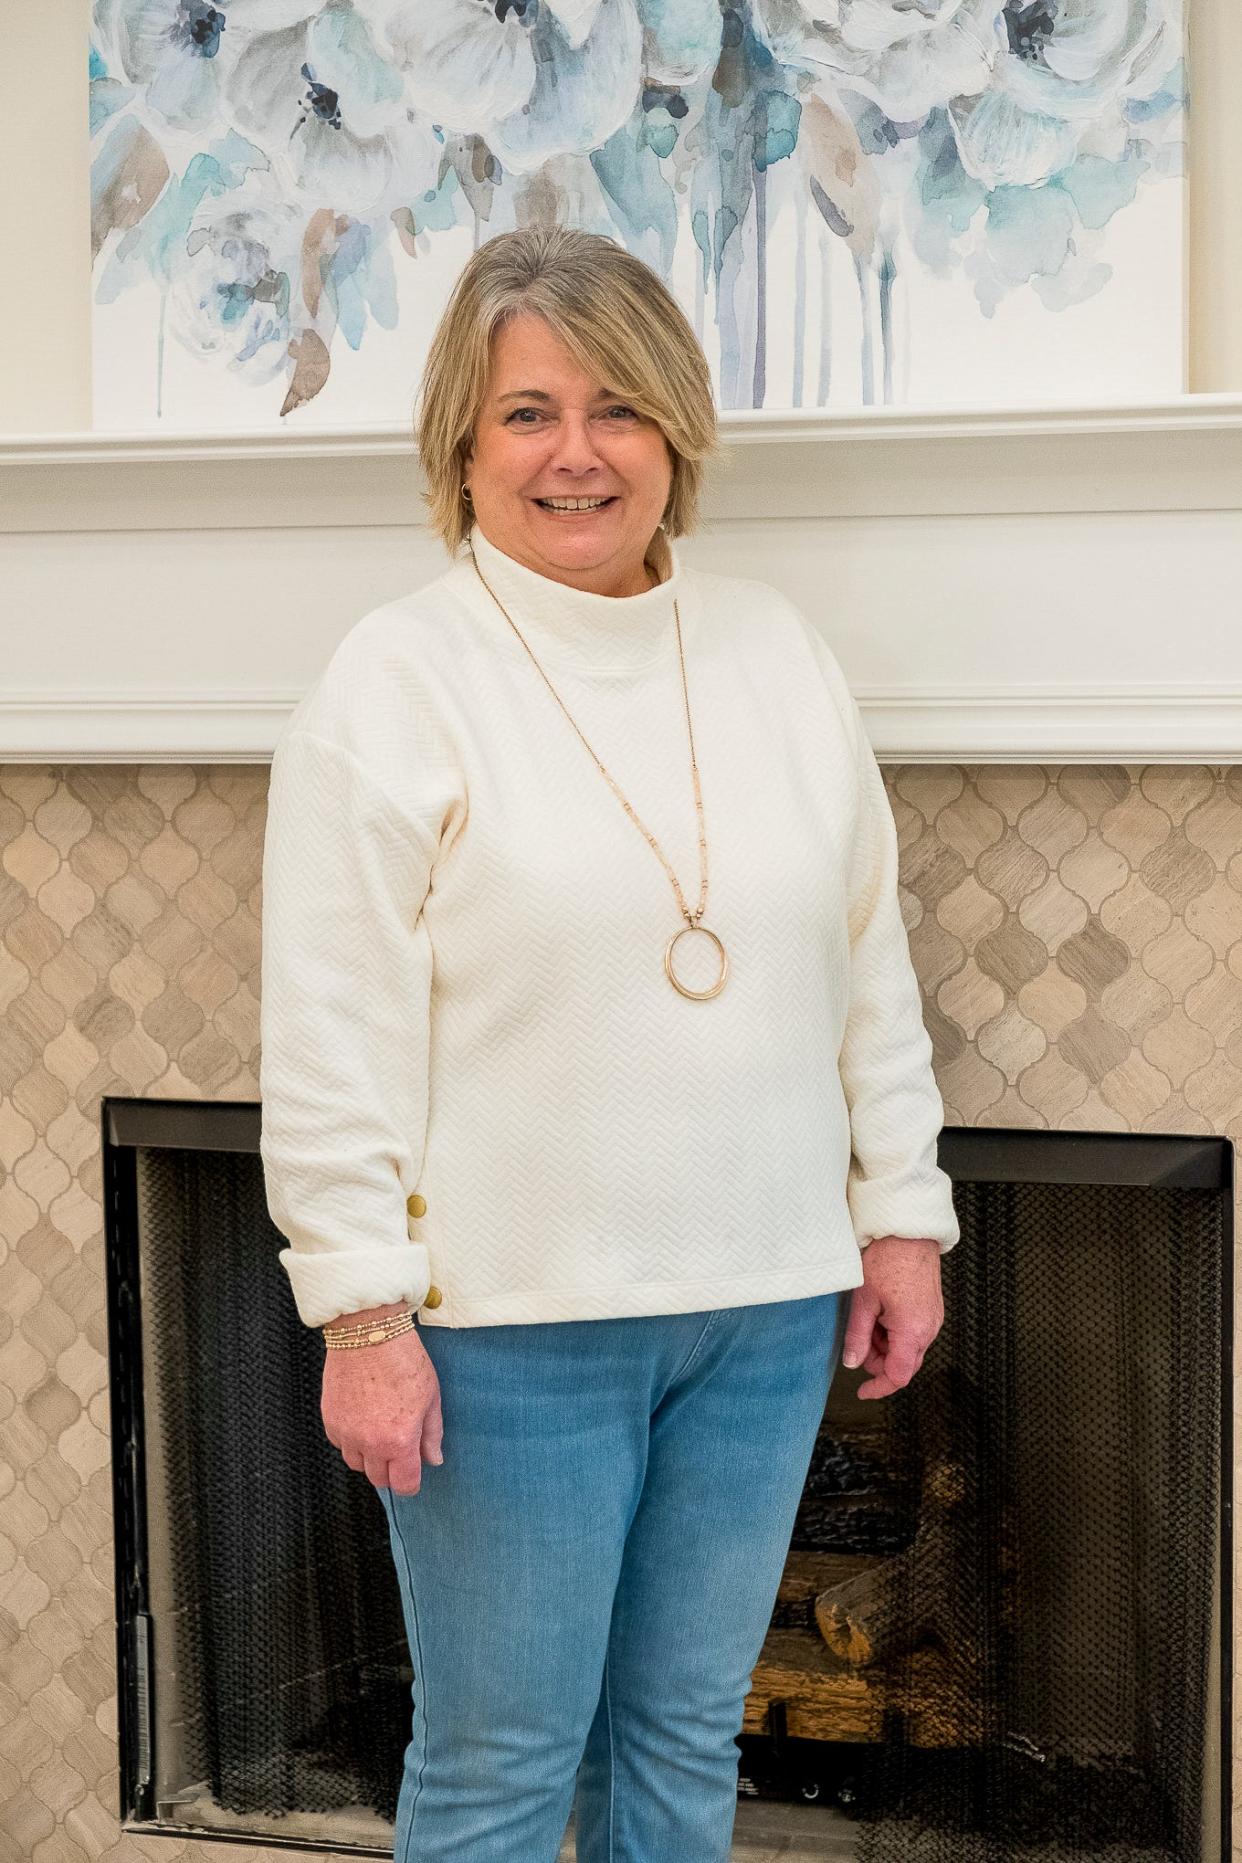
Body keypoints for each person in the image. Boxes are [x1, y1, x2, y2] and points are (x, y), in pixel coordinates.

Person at [259, 223, 960, 1863]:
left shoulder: (775, 652)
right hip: (509, 1334)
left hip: (765, 1314)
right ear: (462, 439)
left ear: (675, 433)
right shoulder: (395, 683)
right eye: (525, 411)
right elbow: (329, 1029)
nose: (576, 452)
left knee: (678, 1732)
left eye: (618, 406)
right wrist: (358, 1312)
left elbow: (867, 959)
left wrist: (897, 1214)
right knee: (503, 1760)